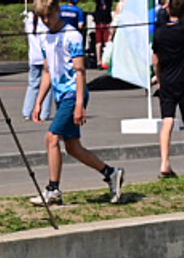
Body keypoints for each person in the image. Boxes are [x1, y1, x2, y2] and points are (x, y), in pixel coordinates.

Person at [30, 0, 127, 206]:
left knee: (52, 138)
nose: (46, 21)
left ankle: (53, 189)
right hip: (60, 95)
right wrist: (39, 101)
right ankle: (111, 173)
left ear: (57, 11)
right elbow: (48, 71)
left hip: (73, 94)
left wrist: (79, 104)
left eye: (49, 16)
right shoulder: (46, 37)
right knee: (73, 147)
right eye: (42, 18)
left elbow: (80, 72)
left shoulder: (72, 35)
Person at [152, 0, 184, 177]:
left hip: (166, 81)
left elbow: (156, 59)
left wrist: (158, 77)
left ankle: (164, 162)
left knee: (167, 121)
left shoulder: (160, 33)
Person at [23, 0, 55, 122]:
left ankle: (27, 111)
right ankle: (44, 113)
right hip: (45, 56)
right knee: (47, 85)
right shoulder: (44, 22)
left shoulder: (29, 20)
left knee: (33, 84)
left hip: (33, 56)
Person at [91, 0, 112, 67]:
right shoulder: (107, 3)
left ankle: (100, 61)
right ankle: (103, 61)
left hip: (100, 22)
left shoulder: (101, 4)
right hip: (104, 22)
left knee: (100, 43)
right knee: (104, 43)